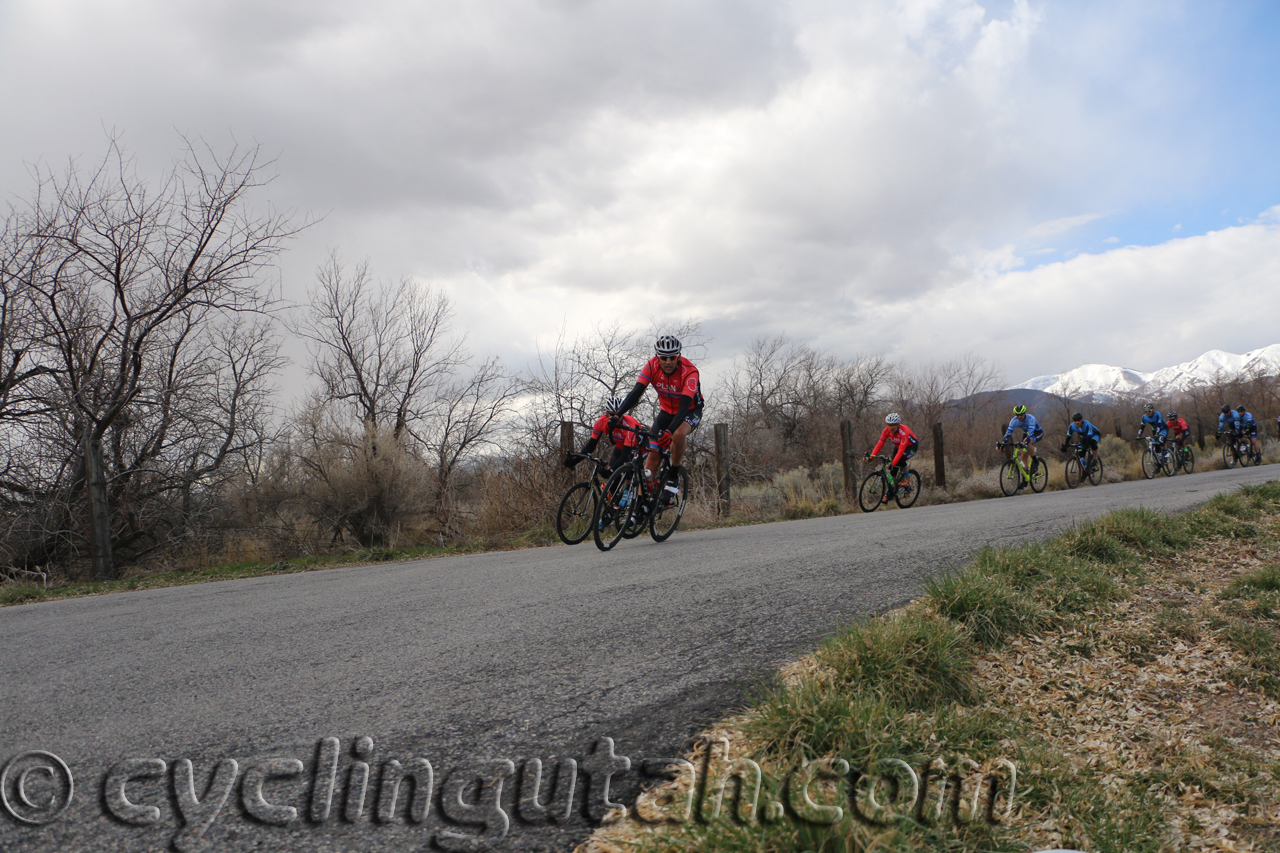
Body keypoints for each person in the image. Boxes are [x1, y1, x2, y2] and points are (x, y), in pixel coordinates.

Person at [614, 335, 704, 507]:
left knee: (677, 435)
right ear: (657, 358)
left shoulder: (690, 371)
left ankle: (673, 477)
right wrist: (618, 414)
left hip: (689, 411)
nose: (668, 361)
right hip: (666, 411)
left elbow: (685, 405)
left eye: (672, 357)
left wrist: (669, 431)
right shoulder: (651, 366)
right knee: (652, 459)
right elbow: (636, 393)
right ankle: (640, 506)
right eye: (664, 357)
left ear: (678, 356)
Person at [564, 397, 644, 477]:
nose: (617, 418)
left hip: (638, 445)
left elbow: (625, 455)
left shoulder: (629, 426)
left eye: (619, 414)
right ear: (607, 414)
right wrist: (575, 461)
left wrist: (611, 471)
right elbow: (590, 446)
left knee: (628, 475)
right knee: (613, 479)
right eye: (613, 415)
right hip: (620, 445)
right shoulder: (601, 422)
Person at [864, 413, 919, 503]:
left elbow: (901, 452)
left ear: (898, 424)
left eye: (893, 425)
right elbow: (879, 444)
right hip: (898, 446)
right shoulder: (886, 431)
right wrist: (871, 457)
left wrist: (893, 463)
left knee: (899, 460)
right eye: (889, 425)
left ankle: (906, 475)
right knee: (892, 470)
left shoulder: (903, 432)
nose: (891, 427)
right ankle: (890, 492)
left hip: (910, 447)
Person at [1001, 404, 1044, 473]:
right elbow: (1008, 433)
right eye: (1017, 415)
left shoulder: (1030, 418)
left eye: (1021, 414)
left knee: (1027, 442)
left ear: (1024, 413)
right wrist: (1003, 443)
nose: (1019, 416)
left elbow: (1031, 431)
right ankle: (1025, 476)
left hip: (1037, 432)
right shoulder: (1014, 421)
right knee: (1023, 454)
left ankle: (1035, 461)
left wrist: (1026, 442)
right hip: (1027, 433)